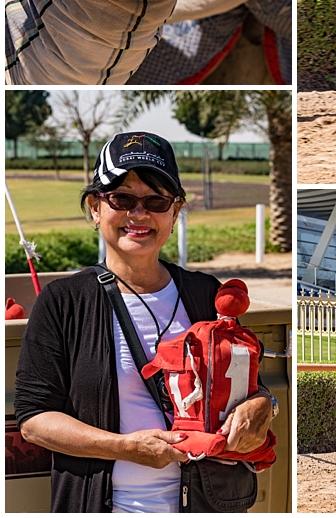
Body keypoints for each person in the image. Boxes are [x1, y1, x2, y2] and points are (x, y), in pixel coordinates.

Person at [14, 132, 274, 513]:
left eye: (156, 201)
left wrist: (266, 404)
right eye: (122, 198)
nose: (139, 214)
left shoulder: (206, 294)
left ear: (175, 211)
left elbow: (249, 384)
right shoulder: (64, 301)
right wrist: (126, 448)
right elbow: (34, 420)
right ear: (95, 207)